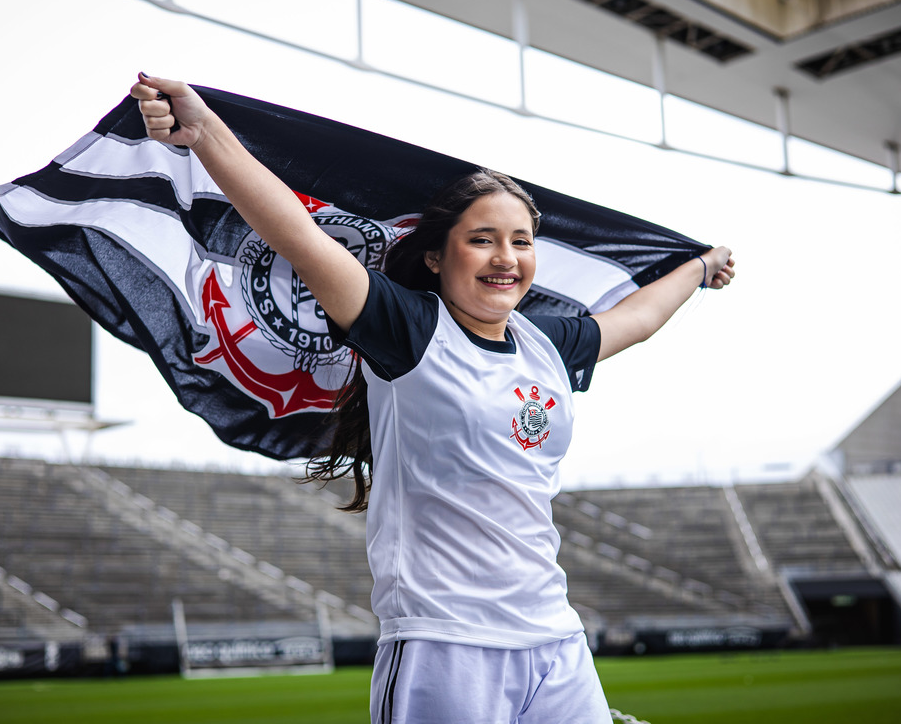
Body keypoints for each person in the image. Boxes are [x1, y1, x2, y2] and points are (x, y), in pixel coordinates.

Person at [132, 73, 734, 723]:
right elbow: (298, 237)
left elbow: (638, 319)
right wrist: (206, 132)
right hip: (445, 644)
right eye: (482, 239)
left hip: (555, 641)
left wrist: (701, 267)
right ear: (436, 258)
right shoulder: (410, 329)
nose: (506, 257)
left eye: (521, 240)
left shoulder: (546, 343)